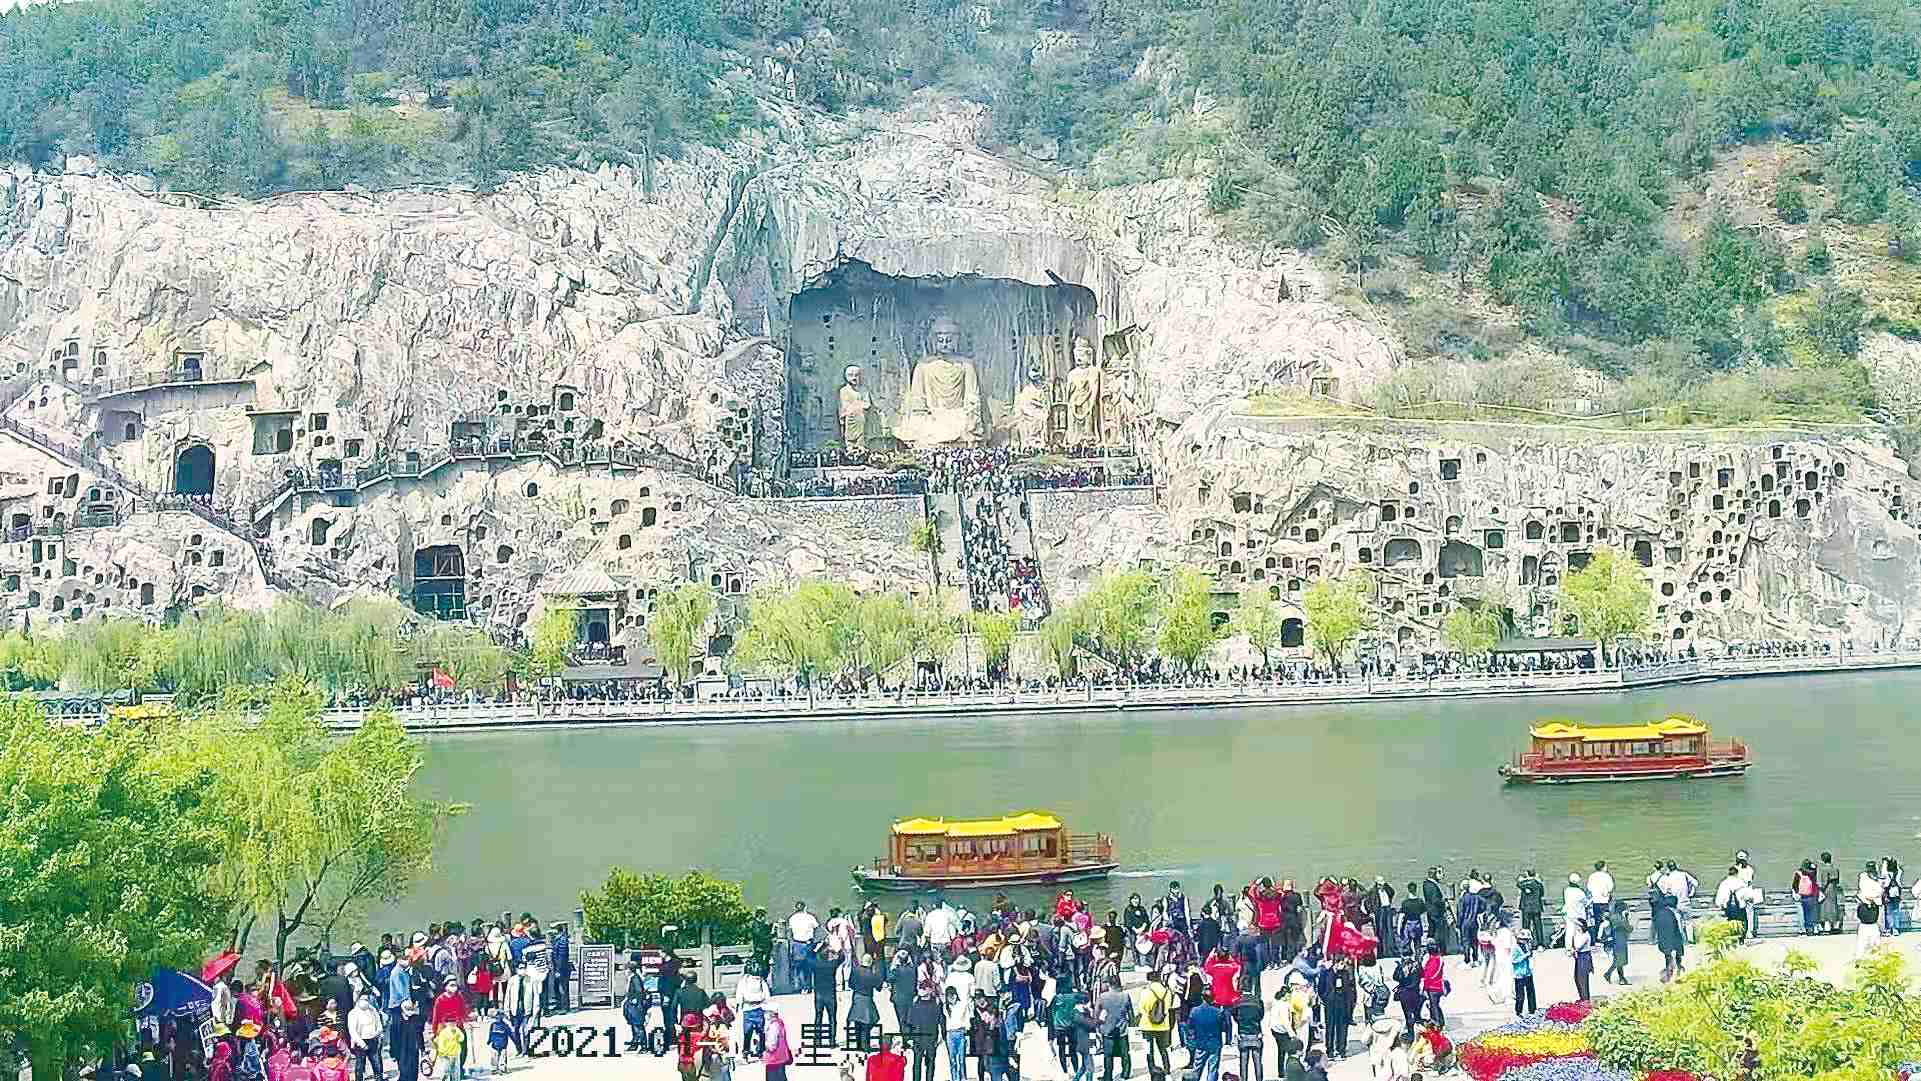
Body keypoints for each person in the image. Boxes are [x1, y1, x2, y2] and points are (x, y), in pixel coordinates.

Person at [1138, 969, 1175, 1081]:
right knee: (1163, 1049)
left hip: (1147, 1025)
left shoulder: (1146, 992)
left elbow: (1142, 1008)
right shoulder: (1167, 992)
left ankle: (1152, 1071)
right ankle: (1167, 1070)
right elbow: (1169, 1007)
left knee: (1149, 1050)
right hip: (1163, 1025)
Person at [849, 954, 884, 1052]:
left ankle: (858, 1044)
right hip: (867, 998)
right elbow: (879, 987)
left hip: (856, 997)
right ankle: (865, 1045)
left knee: (857, 1022)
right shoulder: (871, 974)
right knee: (867, 1023)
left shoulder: (855, 971)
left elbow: (850, 984)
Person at [1186, 993, 1225, 1081]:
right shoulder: (1218, 1012)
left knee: (1197, 1069)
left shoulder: (1194, 1011)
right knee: (1212, 1070)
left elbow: (1190, 1027)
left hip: (1200, 1043)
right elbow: (1224, 1028)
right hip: (1215, 1043)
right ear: (1213, 998)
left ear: (1202, 997)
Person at [1323, 959, 1356, 1061]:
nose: (1343, 966)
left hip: (1343, 1003)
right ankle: (1330, 1050)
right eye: (1341, 964)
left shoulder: (1346, 973)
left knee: (1342, 1027)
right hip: (1330, 1003)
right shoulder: (1327, 973)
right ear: (1336, 963)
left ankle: (1341, 1050)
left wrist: (1351, 1003)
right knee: (1330, 1027)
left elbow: (1351, 988)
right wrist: (1325, 998)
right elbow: (1321, 987)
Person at [1650, 888, 1685, 983]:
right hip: (1674, 937)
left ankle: (1670, 973)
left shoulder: (1659, 912)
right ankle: (1675, 973)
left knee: (1668, 955)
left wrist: (1653, 938)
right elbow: (1680, 929)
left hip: (1664, 938)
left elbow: (1654, 926)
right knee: (1676, 955)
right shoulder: (1675, 913)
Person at [736, 963, 770, 1059]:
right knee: (754, 1031)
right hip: (753, 1008)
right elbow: (766, 994)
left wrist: (739, 1004)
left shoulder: (749, 981)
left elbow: (739, 994)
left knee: (754, 1032)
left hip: (753, 1008)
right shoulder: (748, 981)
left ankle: (754, 1051)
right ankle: (753, 1051)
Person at [347, 993, 384, 1081]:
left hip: (373, 1040)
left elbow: (378, 1023)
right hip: (360, 1042)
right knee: (360, 1063)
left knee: (376, 1062)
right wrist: (362, 1044)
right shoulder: (353, 1013)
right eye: (363, 999)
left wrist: (378, 1033)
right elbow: (352, 1031)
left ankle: (379, 1078)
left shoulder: (372, 1010)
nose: (365, 1002)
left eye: (367, 999)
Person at [789, 904, 821, 995]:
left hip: (797, 943)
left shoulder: (792, 918)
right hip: (808, 943)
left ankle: (801, 986)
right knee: (809, 966)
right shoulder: (810, 917)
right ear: (805, 908)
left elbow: (790, 931)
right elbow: (816, 928)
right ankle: (808, 986)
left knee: (798, 966)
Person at [1418, 944, 1446, 1031]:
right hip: (1438, 987)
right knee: (1436, 1005)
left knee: (1433, 1006)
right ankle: (1441, 1021)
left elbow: (1428, 976)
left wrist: (1424, 989)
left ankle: (1436, 1023)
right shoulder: (1439, 959)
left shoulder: (1432, 961)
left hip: (1433, 987)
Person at [1604, 901, 1632, 985]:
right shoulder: (1619, 918)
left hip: (1617, 939)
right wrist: (1626, 918)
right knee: (1620, 960)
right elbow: (1628, 928)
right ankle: (1609, 974)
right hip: (1620, 940)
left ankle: (1621, 978)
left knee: (1619, 960)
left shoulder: (1614, 917)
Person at [762, 1008, 794, 1081]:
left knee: (774, 1077)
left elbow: (771, 1045)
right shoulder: (780, 1023)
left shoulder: (773, 1025)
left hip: (774, 1059)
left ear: (771, 1013)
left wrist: (764, 1046)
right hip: (781, 1057)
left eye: (765, 1012)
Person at [1792, 861, 1821, 936]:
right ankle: (1810, 928)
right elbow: (1815, 882)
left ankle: (1802, 929)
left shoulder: (1798, 873)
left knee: (1802, 914)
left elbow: (1794, 885)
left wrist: (1796, 893)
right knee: (1810, 913)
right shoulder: (1812, 873)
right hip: (1811, 895)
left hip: (1801, 896)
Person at [1510, 932, 1536, 1016]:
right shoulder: (1515, 948)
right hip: (1519, 975)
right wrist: (1525, 956)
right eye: (1524, 940)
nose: (1526, 941)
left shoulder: (1526, 946)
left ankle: (1532, 1009)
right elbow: (1514, 960)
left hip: (1528, 973)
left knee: (1531, 993)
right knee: (1520, 995)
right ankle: (1518, 1011)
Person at [1818, 852, 1844, 934]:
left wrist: (1820, 889)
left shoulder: (1824, 869)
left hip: (1827, 890)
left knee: (1826, 908)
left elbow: (1824, 882)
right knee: (1833, 907)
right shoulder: (1835, 869)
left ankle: (1827, 926)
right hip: (1834, 889)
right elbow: (1837, 881)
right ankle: (1834, 925)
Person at [1586, 862, 1614, 930]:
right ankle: (1605, 934)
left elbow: (1589, 888)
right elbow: (1610, 887)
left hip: (1595, 900)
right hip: (1604, 900)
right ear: (1603, 867)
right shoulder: (1607, 876)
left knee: (1597, 918)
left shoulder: (1592, 876)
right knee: (1606, 918)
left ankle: (1597, 933)